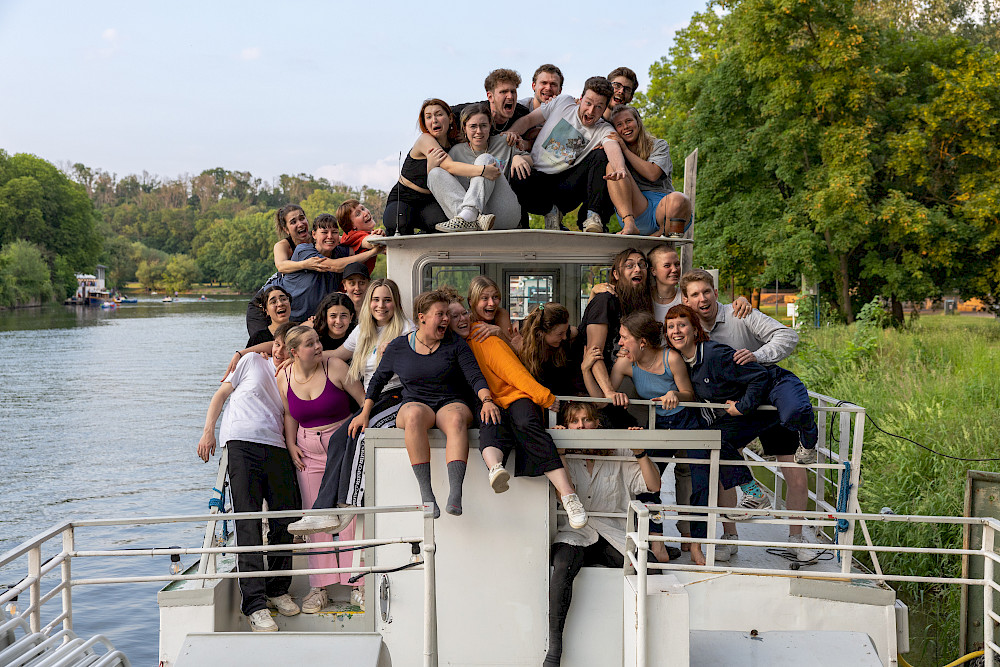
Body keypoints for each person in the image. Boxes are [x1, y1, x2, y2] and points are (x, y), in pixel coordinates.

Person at [350, 290, 499, 518]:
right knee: (413, 416)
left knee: (457, 418)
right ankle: (426, 494)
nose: (446, 319)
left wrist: (487, 400)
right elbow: (377, 381)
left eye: (447, 314)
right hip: (416, 403)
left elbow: (475, 376)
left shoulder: (456, 344)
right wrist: (365, 412)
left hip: (451, 402)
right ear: (422, 317)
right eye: (440, 314)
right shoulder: (398, 347)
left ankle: (455, 494)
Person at [443, 291, 586, 528]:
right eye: (453, 315)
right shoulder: (451, 347)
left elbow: (514, 374)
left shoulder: (483, 337)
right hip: (488, 401)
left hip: (515, 395)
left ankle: (568, 496)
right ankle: (495, 469)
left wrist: (544, 397)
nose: (462, 319)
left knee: (527, 424)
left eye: (464, 313)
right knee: (490, 425)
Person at [664, 304, 793, 565]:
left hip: (762, 410)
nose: (677, 331)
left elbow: (760, 376)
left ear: (695, 328)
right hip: (737, 413)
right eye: (671, 327)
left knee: (717, 438)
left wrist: (741, 407)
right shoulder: (686, 361)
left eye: (682, 324)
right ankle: (751, 495)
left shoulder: (713, 354)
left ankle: (755, 494)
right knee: (715, 440)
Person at [287, 279, 415, 535]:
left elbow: (414, 369)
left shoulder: (405, 329)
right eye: (376, 300)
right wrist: (290, 358)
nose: (381, 305)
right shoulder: (363, 330)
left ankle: (346, 507)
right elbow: (334, 355)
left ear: (396, 303)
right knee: (338, 439)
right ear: (369, 303)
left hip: (396, 396)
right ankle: (325, 512)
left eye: (387, 300)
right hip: (373, 399)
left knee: (356, 435)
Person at [196, 323, 300, 632]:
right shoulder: (251, 362)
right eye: (276, 345)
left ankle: (278, 589)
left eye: (286, 348)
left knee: (285, 520)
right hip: (241, 443)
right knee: (248, 521)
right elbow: (221, 394)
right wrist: (208, 430)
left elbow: (291, 415)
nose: (280, 352)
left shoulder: (293, 376)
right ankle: (254, 604)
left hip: (278, 447)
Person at [545, 401, 661, 667]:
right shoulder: (563, 453)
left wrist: (640, 450)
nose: (582, 426)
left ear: (598, 423)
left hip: (613, 534)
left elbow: (653, 485)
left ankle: (646, 648)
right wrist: (560, 452)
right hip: (575, 533)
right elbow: (564, 491)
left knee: (650, 570)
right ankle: (554, 652)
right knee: (562, 565)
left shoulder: (619, 450)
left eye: (587, 420)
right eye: (574, 421)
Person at [580, 311, 701, 562]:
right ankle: (657, 543)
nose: (620, 343)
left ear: (642, 342)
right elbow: (602, 403)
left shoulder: (671, 358)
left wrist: (675, 395)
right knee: (649, 484)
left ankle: (696, 543)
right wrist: (586, 370)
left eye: (624, 337)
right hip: (659, 425)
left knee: (698, 478)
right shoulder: (625, 364)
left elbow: (689, 393)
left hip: (686, 422)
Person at [680, 269, 818, 465]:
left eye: (707, 292)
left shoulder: (740, 313)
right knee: (718, 444)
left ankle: (808, 440)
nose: (703, 299)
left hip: (770, 381)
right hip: (742, 398)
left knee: (794, 413)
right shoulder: (688, 330)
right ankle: (752, 492)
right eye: (695, 294)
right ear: (686, 300)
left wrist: (757, 356)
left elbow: (788, 336)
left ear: (716, 293)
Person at [278, 325, 366, 613]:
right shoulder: (285, 375)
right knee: (315, 518)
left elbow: (364, 403)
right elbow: (290, 412)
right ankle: (320, 587)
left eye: (317, 341)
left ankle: (358, 582)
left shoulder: (336, 367)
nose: (318, 347)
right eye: (309, 344)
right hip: (308, 451)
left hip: (343, 446)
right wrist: (291, 444)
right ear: (294, 352)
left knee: (350, 514)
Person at [506, 76, 628, 233]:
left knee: (600, 155)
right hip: (538, 185)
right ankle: (551, 212)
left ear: (605, 109)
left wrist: (619, 168)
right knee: (517, 173)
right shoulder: (563, 103)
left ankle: (593, 216)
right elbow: (529, 120)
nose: (591, 111)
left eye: (598, 107)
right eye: (588, 103)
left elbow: (612, 147)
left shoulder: (604, 129)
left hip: (567, 188)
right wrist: (511, 134)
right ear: (581, 98)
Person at [249, 214, 382, 331]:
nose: (330, 237)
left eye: (334, 232)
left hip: (304, 320)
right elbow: (334, 266)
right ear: (313, 235)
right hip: (270, 309)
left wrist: (376, 239)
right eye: (324, 232)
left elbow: (358, 247)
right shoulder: (304, 250)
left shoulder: (339, 252)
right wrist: (374, 252)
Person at [429, 103, 530, 232]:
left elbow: (531, 160)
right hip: (474, 217)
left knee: (485, 159)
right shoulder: (455, 152)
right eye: (473, 126)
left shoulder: (504, 141)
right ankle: (468, 218)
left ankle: (470, 215)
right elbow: (447, 188)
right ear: (464, 129)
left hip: (503, 213)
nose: (479, 131)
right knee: (435, 173)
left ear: (490, 126)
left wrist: (518, 157)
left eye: (483, 126)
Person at [571, 248, 652, 396]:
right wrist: (608, 393)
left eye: (642, 265)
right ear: (616, 274)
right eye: (629, 265)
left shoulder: (638, 302)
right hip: (585, 392)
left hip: (612, 387)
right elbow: (593, 351)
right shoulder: (605, 300)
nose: (637, 269)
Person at [604, 106, 692, 237]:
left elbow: (652, 174)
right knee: (613, 166)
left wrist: (626, 150)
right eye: (619, 124)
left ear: (638, 122)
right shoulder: (615, 151)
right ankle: (630, 224)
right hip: (636, 209)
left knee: (680, 198)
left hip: (665, 212)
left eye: (629, 121)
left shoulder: (659, 145)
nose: (625, 127)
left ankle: (659, 236)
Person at [383, 99, 460, 235]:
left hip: (430, 200)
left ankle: (425, 234)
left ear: (450, 117)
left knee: (442, 227)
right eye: (429, 117)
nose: (434, 120)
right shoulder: (425, 139)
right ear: (425, 123)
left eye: (439, 114)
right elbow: (450, 167)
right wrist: (483, 171)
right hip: (405, 196)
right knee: (399, 225)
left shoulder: (456, 144)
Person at [245, 205, 324, 336]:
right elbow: (281, 266)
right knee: (264, 345)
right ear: (286, 229)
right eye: (293, 222)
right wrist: (306, 264)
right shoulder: (283, 246)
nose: (300, 224)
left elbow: (340, 239)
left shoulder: (317, 237)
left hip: (286, 302)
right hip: (262, 304)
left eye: (302, 218)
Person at [518, 302, 578, 398]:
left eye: (566, 332)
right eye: (560, 334)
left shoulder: (570, 336)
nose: (565, 337)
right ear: (541, 333)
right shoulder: (520, 339)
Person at [452, 68, 532, 137]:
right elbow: (443, 113)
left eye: (513, 91)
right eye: (503, 92)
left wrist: (524, 144)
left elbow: (533, 138)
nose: (510, 96)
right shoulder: (472, 111)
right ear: (490, 97)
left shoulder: (522, 113)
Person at [335, 200, 386, 273]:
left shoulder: (347, 234)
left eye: (363, 209)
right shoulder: (355, 235)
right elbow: (368, 241)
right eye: (358, 214)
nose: (365, 213)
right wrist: (377, 239)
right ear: (352, 225)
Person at [467, 275, 518, 348]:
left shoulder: (501, 314)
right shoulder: (465, 320)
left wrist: (500, 334)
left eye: (495, 297)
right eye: (485, 298)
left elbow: (511, 351)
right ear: (471, 302)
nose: (492, 303)